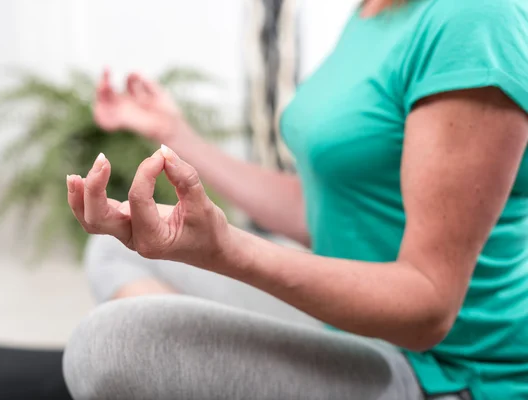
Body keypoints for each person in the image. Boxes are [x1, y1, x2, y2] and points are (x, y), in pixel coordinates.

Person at [63, 0, 528, 398]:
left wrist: (224, 248)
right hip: (352, 325)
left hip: (442, 373)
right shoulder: (377, 9)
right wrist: (176, 134)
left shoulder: (475, 18)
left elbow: (428, 309)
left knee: (110, 345)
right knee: (112, 250)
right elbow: (324, 210)